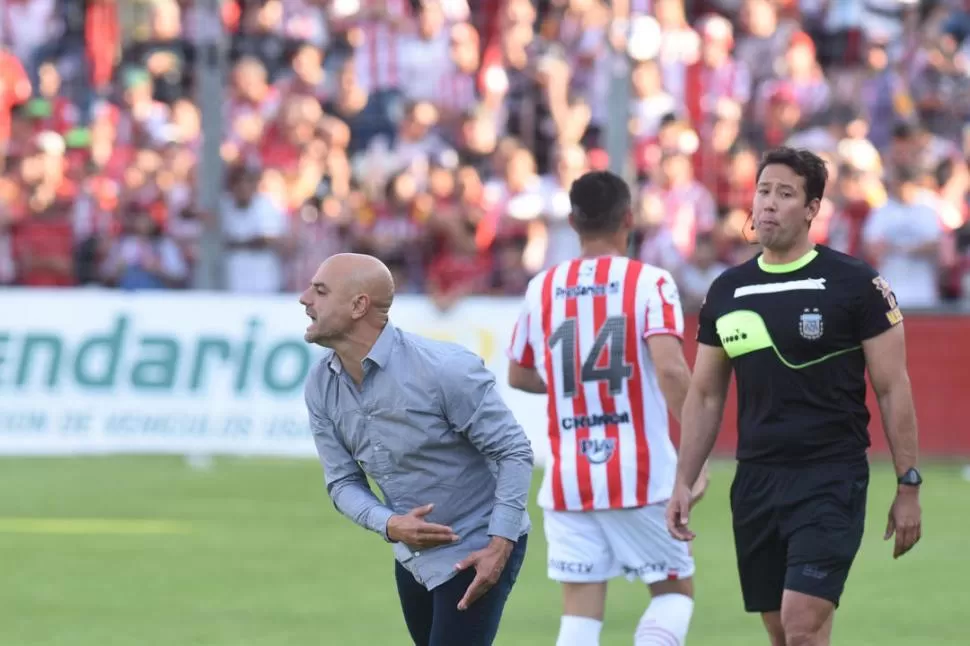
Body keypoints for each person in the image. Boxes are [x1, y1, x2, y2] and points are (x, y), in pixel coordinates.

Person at [667, 147, 923, 646]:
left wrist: (907, 484)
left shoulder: (856, 284)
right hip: (757, 481)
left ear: (811, 209)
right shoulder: (727, 291)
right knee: (783, 632)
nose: (768, 204)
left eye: (785, 194)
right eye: (763, 191)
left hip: (830, 477)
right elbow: (705, 396)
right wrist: (684, 477)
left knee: (802, 623)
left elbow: (893, 389)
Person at [506, 170, 708, 646]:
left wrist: (567, 386)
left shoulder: (544, 287)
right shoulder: (650, 283)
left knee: (579, 617)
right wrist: (695, 457)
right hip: (640, 473)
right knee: (673, 593)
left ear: (573, 222)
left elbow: (519, 374)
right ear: (629, 219)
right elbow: (673, 371)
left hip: (569, 478)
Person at [300, 253, 534, 646]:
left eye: (320, 291)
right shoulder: (320, 384)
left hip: (476, 547)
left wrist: (500, 545)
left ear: (359, 305)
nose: (304, 298)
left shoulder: (444, 369)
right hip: (411, 558)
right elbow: (341, 482)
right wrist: (390, 524)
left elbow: (513, 451)